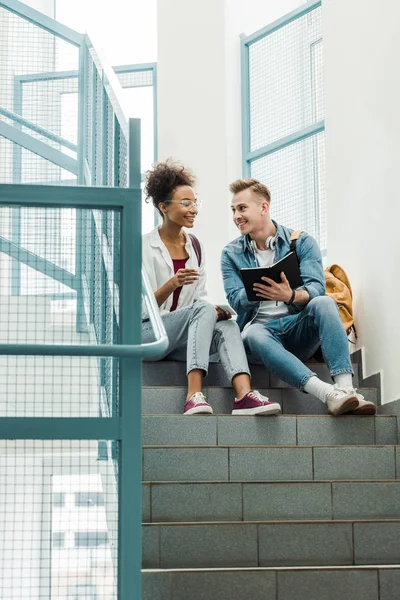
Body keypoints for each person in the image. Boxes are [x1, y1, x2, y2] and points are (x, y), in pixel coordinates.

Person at [220, 178, 376, 416]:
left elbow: (316, 289)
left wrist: (290, 295)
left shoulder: (301, 242)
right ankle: (327, 393)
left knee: (324, 302)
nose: (236, 216)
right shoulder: (230, 254)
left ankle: (346, 390)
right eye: (233, 210)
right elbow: (234, 299)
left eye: (242, 208)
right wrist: (258, 290)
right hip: (261, 337)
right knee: (251, 332)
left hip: (297, 329)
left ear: (263, 207)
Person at [142, 161, 281, 416]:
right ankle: (194, 394)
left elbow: (199, 300)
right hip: (147, 334)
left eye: (195, 202)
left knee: (227, 324)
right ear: (163, 207)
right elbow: (138, 310)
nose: (193, 209)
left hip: (180, 338)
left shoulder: (194, 246)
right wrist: (172, 284)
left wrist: (214, 311)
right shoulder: (142, 246)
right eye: (186, 203)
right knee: (202, 310)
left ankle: (244, 395)